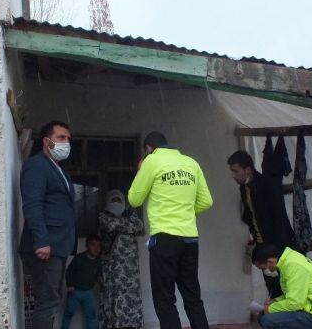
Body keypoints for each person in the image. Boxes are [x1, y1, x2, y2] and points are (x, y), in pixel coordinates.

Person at [128, 131, 213, 329]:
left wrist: (141, 170)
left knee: (165, 300)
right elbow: (206, 201)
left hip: (164, 239)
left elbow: (134, 199)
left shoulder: (151, 161)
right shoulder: (191, 163)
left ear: (148, 149)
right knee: (193, 298)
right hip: (190, 240)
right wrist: (185, 213)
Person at [19, 120, 77, 329]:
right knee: (48, 302)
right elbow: (32, 204)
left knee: (52, 300)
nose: (66, 142)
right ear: (46, 141)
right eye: (61, 137)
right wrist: (41, 241)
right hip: (45, 246)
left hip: (58, 246)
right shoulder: (37, 165)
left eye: (68, 139)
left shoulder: (59, 170)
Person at [228, 150, 298, 298]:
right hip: (261, 243)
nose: (233, 175)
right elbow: (250, 214)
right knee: (271, 283)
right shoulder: (244, 188)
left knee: (285, 282)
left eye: (236, 171)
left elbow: (278, 216)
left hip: (276, 243)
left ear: (247, 169)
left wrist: (276, 247)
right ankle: (274, 307)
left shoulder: (266, 184)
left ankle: (285, 309)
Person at [251, 243, 312, 329]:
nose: (264, 271)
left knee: (267, 320)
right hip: (310, 309)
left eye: (263, 268)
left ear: (270, 261)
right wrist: (275, 300)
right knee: (262, 316)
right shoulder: (287, 263)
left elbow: (295, 303)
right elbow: (293, 294)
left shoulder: (293, 266)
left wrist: (270, 309)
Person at [98, 190, 144, 329]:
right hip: (112, 266)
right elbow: (109, 225)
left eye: (119, 200)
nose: (116, 203)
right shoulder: (103, 216)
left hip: (131, 266)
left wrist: (120, 224)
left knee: (132, 296)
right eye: (113, 200)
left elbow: (139, 226)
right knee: (113, 296)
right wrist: (127, 225)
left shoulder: (130, 214)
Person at [62, 235, 103, 329]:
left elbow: (99, 273)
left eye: (99, 246)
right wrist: (70, 285)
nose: (96, 248)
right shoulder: (79, 258)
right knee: (68, 314)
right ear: (87, 245)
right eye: (93, 245)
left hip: (88, 292)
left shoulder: (98, 261)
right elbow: (69, 272)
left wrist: (100, 280)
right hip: (75, 291)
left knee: (92, 315)